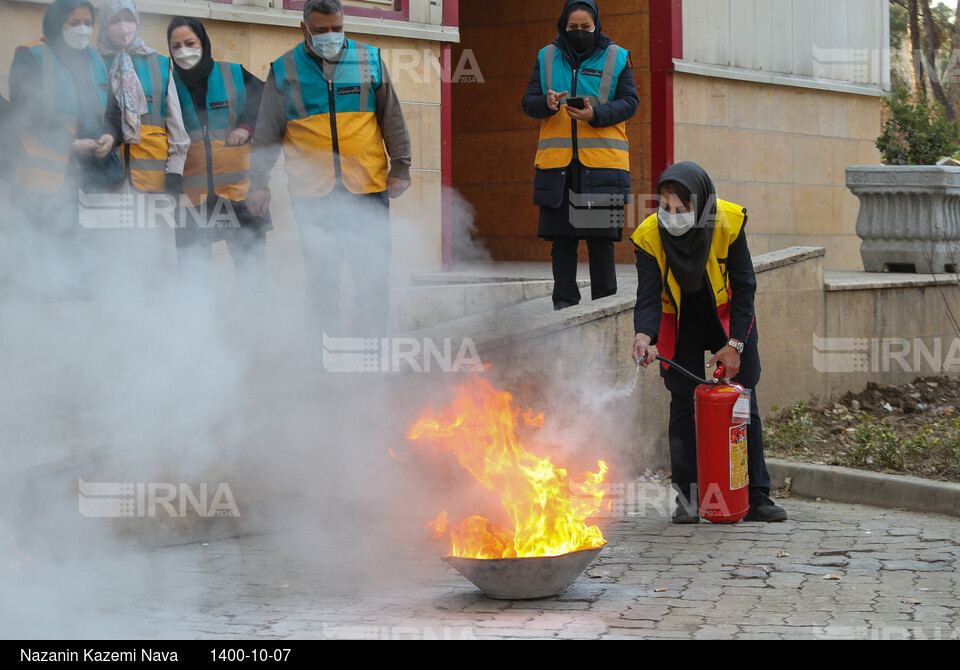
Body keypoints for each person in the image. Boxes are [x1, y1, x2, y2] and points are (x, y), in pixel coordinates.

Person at [631, 162, 787, 524]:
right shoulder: (648, 236)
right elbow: (649, 297)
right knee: (683, 402)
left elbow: (745, 286)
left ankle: (756, 495)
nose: (671, 217)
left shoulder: (728, 223)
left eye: (682, 209)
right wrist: (644, 335)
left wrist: (735, 344)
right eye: (665, 208)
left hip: (726, 316)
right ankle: (688, 498)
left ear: (700, 206)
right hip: (680, 319)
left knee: (743, 399)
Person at [248, 0, 411, 337]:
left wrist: (401, 166)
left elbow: (390, 116)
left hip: (366, 188)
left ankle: (370, 348)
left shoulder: (367, 59)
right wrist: (259, 181)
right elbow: (267, 131)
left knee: (372, 275)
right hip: (313, 193)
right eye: (321, 30)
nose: (331, 35)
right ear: (304, 28)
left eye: (337, 28)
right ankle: (322, 353)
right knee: (322, 278)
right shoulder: (284, 68)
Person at [522, 0, 638, 311]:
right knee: (562, 242)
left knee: (600, 242)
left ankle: (604, 308)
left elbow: (630, 102)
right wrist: (545, 103)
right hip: (558, 167)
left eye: (585, 28)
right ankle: (564, 307)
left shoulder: (616, 56)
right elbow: (528, 102)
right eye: (573, 27)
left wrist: (594, 115)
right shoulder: (547, 56)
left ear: (596, 25)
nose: (579, 33)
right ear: (563, 25)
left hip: (600, 167)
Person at [8, 0, 120, 299]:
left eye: (87, 22)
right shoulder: (32, 55)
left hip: (91, 179)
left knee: (87, 261)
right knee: (45, 262)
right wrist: (67, 143)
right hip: (46, 181)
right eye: (73, 23)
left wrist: (110, 135)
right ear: (56, 23)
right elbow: (24, 111)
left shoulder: (96, 59)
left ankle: (80, 326)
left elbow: (111, 111)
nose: (82, 29)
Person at [167, 16, 271, 292]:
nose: (183, 51)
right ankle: (198, 332)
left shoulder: (233, 73)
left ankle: (254, 329)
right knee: (192, 278)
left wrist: (246, 127)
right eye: (175, 46)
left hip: (239, 193)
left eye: (190, 43)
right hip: (191, 199)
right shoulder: (167, 83)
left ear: (203, 43)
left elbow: (266, 98)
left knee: (252, 274)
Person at [95, 0, 188, 198]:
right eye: (115, 20)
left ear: (137, 20)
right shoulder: (91, 61)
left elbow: (175, 124)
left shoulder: (159, 63)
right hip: (103, 179)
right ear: (104, 22)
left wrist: (175, 171)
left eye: (128, 19)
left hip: (153, 182)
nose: (123, 27)